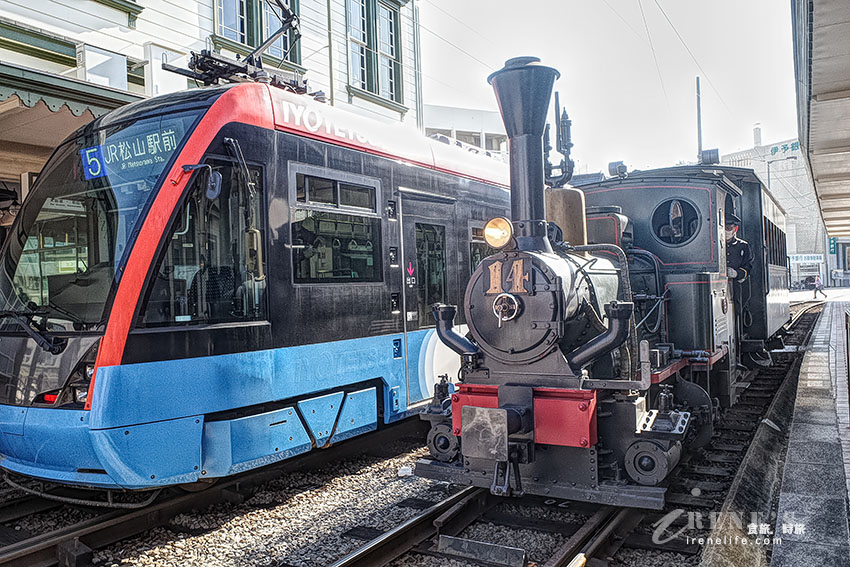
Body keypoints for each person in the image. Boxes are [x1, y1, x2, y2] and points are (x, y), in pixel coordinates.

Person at [725, 213, 753, 282]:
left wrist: (737, 273)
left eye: (728, 228)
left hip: (736, 285)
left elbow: (748, 267)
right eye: (723, 228)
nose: (725, 231)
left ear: (735, 229)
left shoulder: (743, 246)